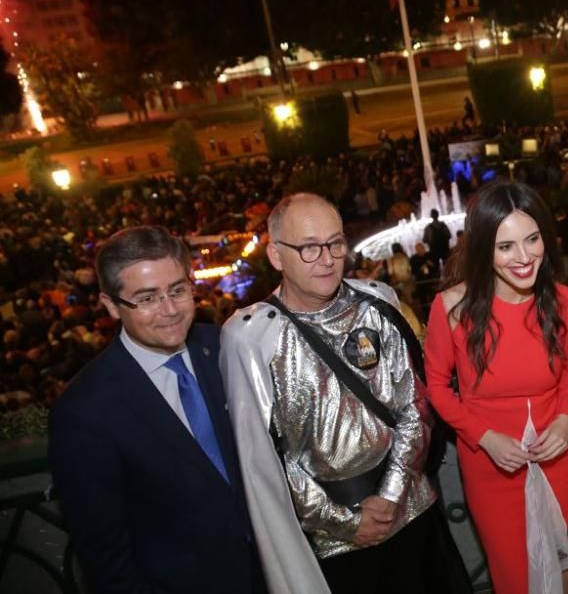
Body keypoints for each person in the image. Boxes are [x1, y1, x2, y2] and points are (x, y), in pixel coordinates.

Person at [220, 192, 450, 594]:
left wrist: (392, 494)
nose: (327, 258)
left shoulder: (378, 304)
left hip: (412, 509)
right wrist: (346, 522)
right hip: (333, 543)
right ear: (276, 255)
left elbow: (414, 405)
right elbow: (266, 459)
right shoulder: (253, 337)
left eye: (335, 243)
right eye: (308, 248)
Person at [48, 225, 265, 594]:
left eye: (178, 290)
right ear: (112, 306)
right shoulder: (84, 411)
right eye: (147, 298)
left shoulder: (226, 347)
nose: (169, 310)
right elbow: (107, 559)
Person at [424, 181, 568, 594]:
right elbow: (437, 388)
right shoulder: (451, 308)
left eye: (532, 239)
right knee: (516, 577)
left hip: (557, 457)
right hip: (491, 465)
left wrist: (566, 422)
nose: (524, 257)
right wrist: (483, 438)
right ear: (484, 249)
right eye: (506, 247)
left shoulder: (566, 301)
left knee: (562, 561)